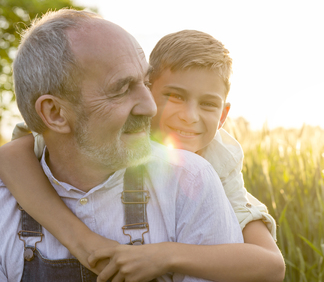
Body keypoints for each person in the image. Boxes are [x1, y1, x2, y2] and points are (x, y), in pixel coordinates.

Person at [0, 26, 285, 281]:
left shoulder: (214, 163)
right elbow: (14, 155)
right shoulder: (93, 127)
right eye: (175, 96)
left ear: (223, 115)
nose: (189, 116)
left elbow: (271, 264)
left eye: (208, 104)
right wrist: (84, 242)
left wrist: (165, 255)